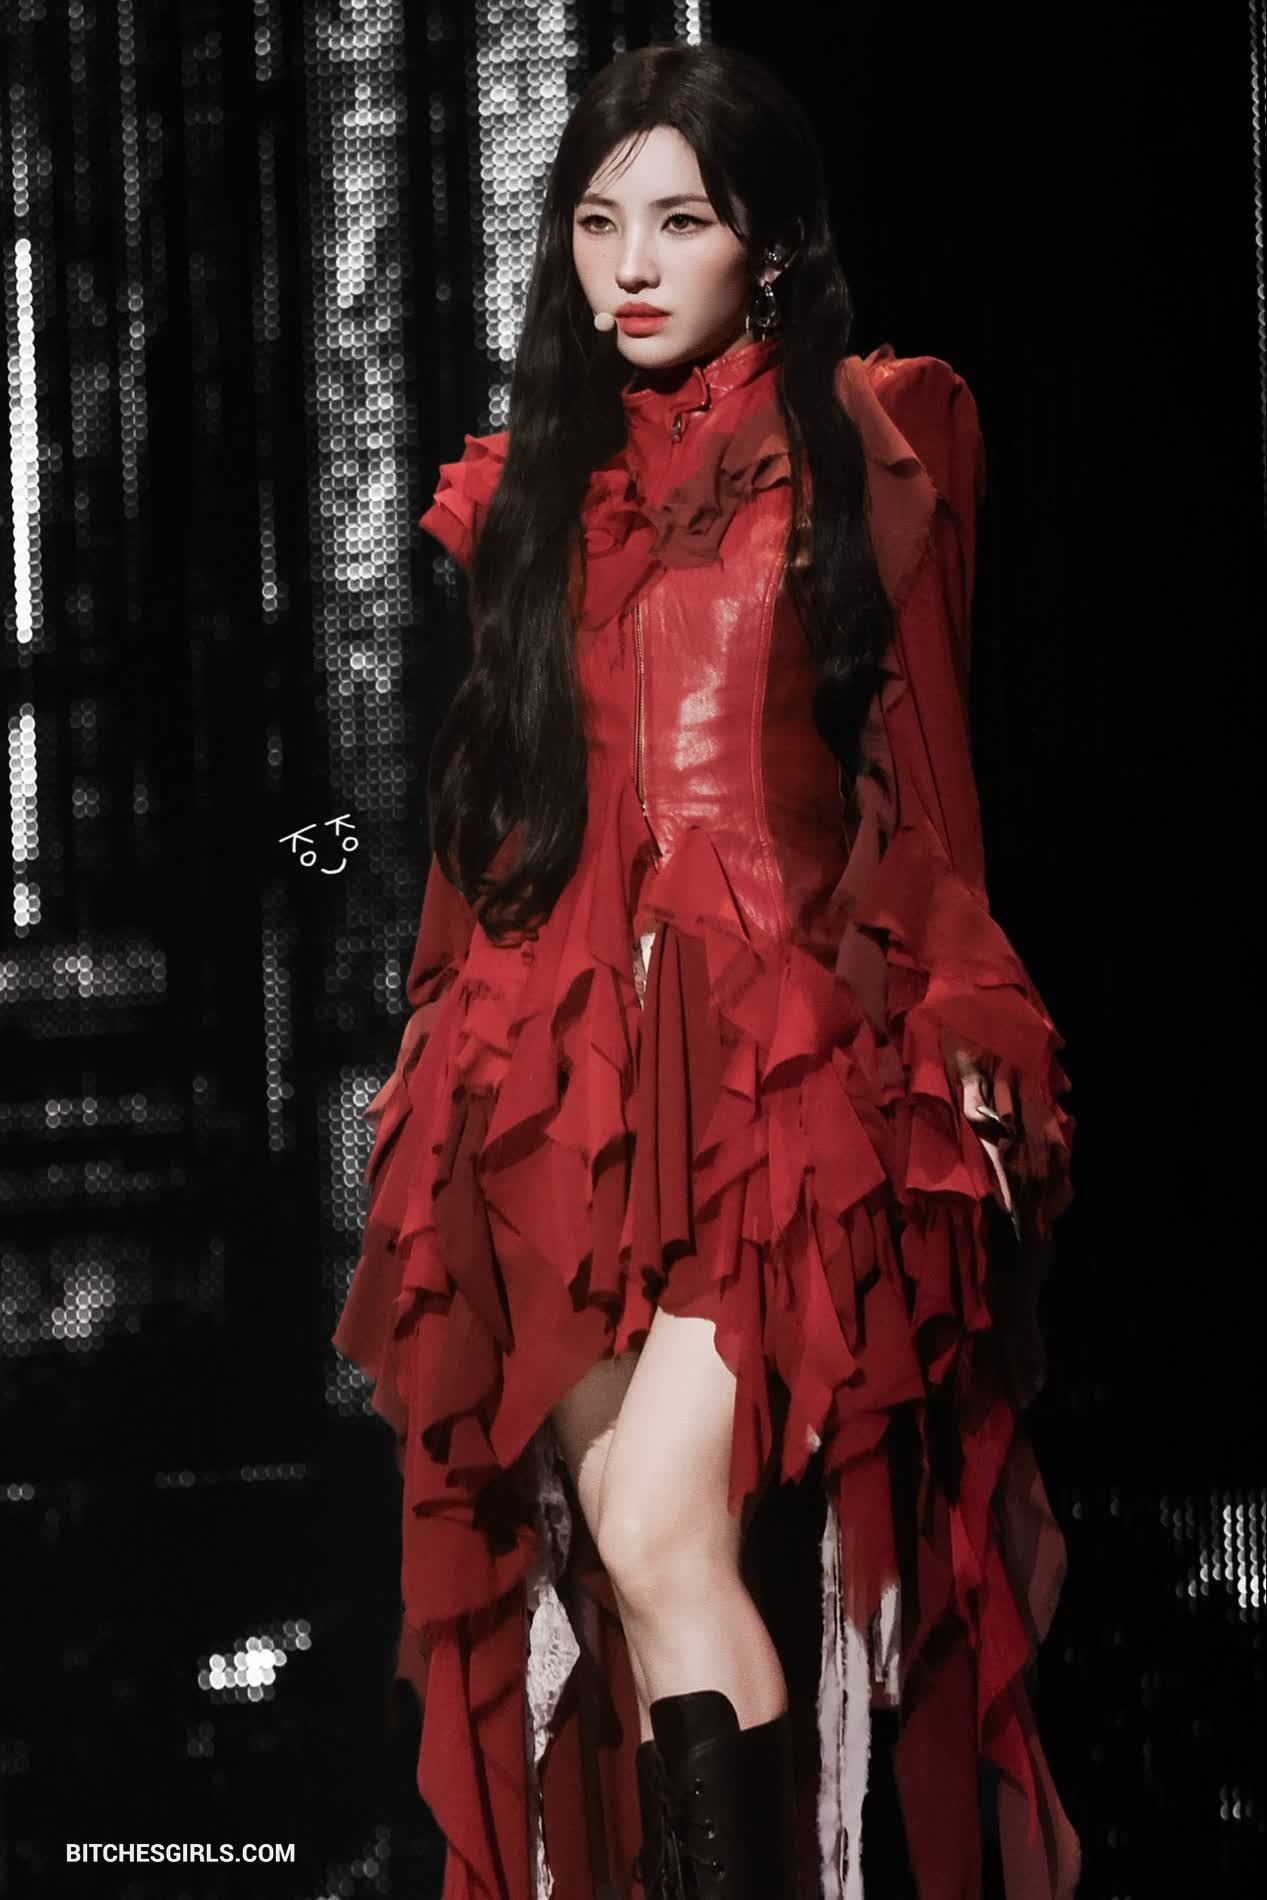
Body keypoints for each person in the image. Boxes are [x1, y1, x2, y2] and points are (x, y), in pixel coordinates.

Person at [333, 39, 1081, 1900]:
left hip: (786, 1066)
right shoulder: (538, 492)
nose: (633, 265)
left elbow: (920, 786)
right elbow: (502, 828)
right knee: (632, 1552)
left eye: (681, 220)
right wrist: (443, 1088)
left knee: (666, 1522)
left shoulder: (872, 436)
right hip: (566, 1076)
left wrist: (967, 1011)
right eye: (599, 224)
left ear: (772, 240)